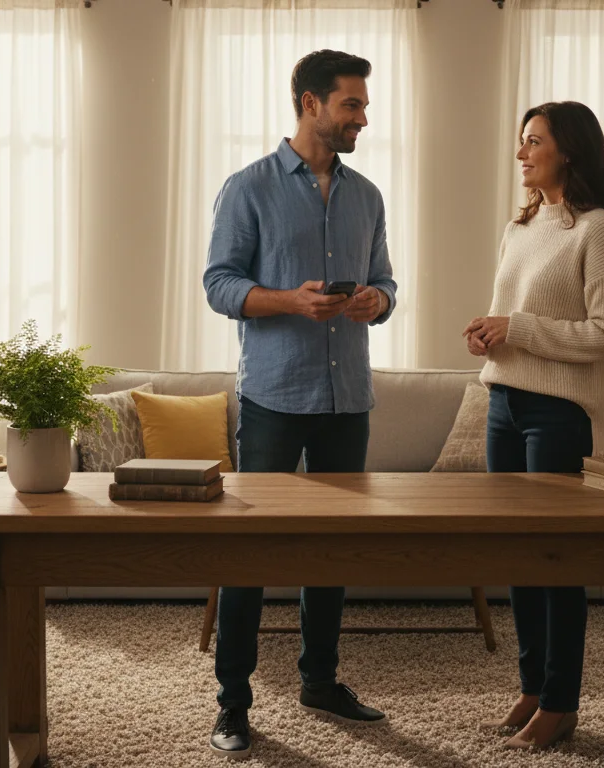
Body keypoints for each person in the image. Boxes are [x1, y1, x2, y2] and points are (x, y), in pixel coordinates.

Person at [201, 49, 398, 760]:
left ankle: (321, 681)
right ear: (310, 103)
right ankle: (233, 703)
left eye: (363, 105)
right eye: (352, 104)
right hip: (274, 400)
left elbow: (386, 283)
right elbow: (219, 283)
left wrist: (377, 301)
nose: (363, 118)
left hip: (350, 401)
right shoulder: (248, 188)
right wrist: (288, 300)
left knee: (333, 548)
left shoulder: (367, 196)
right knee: (247, 550)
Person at [464, 101, 604, 751]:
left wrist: (519, 328)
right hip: (503, 403)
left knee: (557, 560)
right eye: (521, 140)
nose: (521, 153)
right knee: (519, 558)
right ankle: (534, 688)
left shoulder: (598, 232)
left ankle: (562, 704)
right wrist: (489, 331)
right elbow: (511, 310)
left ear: (569, 149)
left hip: (557, 413)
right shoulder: (520, 226)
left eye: (533, 141)